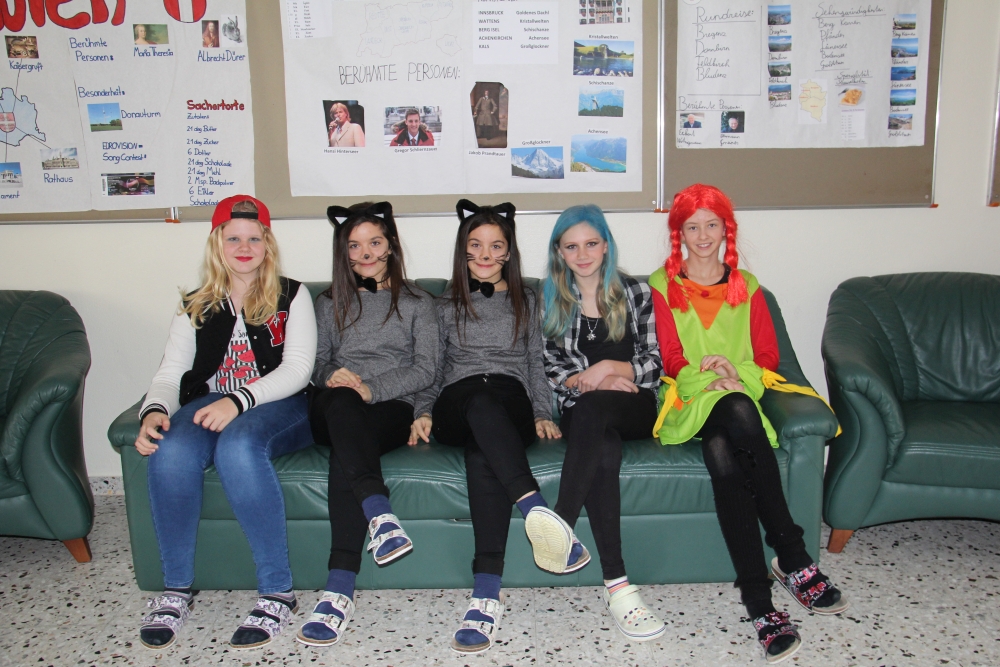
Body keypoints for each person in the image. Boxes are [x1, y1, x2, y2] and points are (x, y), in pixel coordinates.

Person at [649, 184, 848, 663]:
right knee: (734, 409)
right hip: (688, 396)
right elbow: (670, 358)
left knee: (724, 451)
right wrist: (710, 377)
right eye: (691, 227)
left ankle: (758, 601)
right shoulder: (661, 284)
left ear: (726, 230)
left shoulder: (749, 286)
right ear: (679, 233)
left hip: (739, 389)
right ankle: (793, 556)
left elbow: (767, 356)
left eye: (711, 225)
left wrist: (733, 372)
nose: (702, 235)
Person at [133, 195, 317, 651]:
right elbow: (171, 373)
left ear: (268, 244)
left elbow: (298, 370)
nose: (244, 247)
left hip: (280, 402)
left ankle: (277, 592)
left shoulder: (292, 295)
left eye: (254, 238)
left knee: (238, 445)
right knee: (171, 448)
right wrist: (154, 409)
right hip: (212, 402)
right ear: (217, 243)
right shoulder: (195, 303)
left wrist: (239, 400)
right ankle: (176, 588)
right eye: (233, 238)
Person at [408, 199, 589, 655]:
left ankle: (485, 597)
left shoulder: (528, 298)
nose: (486, 255)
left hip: (510, 402)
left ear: (509, 252)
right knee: (479, 399)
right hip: (457, 401)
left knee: (481, 453)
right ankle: (536, 509)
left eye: (495, 246)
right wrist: (422, 410)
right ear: (462, 250)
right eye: (475, 246)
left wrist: (543, 412)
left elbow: (534, 363)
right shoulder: (442, 304)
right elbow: (432, 367)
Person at [296, 201, 437, 647]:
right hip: (333, 404)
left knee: (347, 451)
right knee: (341, 405)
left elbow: (427, 368)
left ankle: (338, 591)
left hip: (388, 407)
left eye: (374, 242)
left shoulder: (418, 302)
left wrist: (370, 389)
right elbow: (313, 363)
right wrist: (332, 376)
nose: (366, 253)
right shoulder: (328, 302)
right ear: (344, 252)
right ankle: (379, 513)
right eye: (354, 246)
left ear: (390, 245)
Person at [540, 205, 666, 642]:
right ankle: (619, 587)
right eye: (571, 246)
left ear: (606, 245)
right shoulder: (549, 298)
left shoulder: (637, 291)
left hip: (635, 405)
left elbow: (657, 361)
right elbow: (551, 368)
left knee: (597, 413)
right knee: (603, 448)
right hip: (582, 406)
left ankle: (561, 521)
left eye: (591, 243)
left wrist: (612, 369)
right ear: (559, 252)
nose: (583, 254)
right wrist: (592, 381)